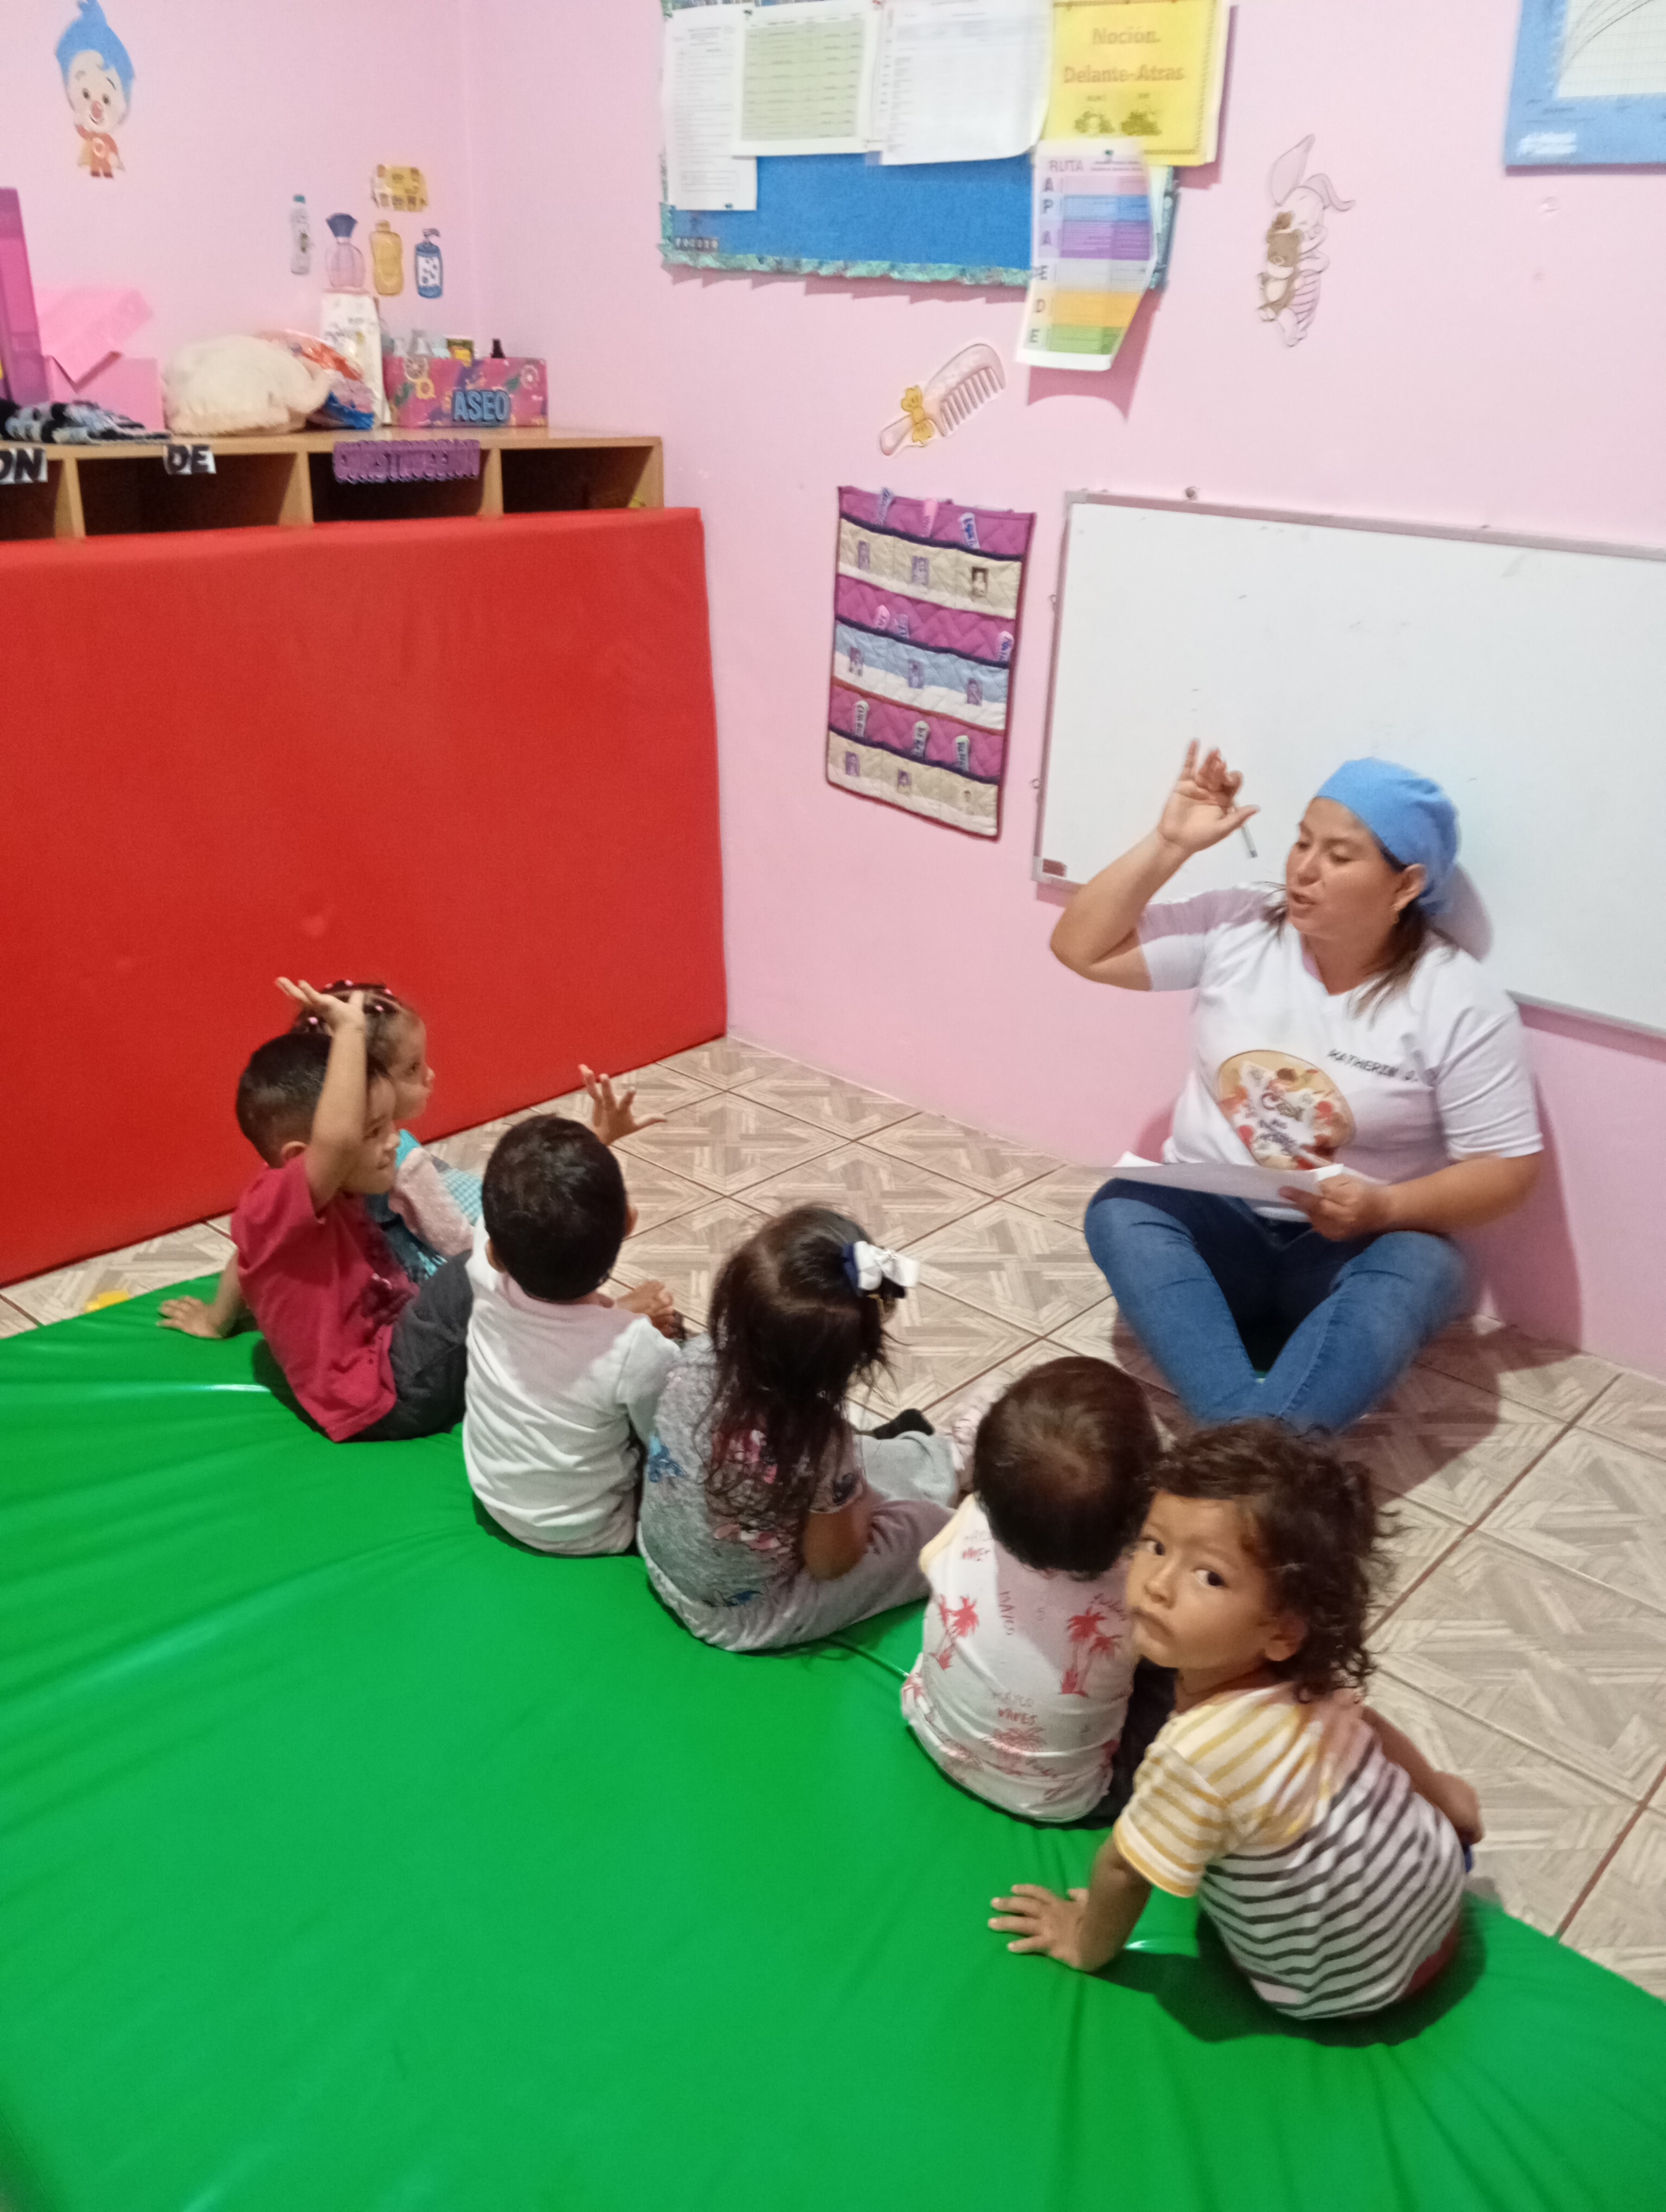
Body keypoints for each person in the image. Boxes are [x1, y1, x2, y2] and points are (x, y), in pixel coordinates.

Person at [1053, 744, 1542, 1431]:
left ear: (1405, 886)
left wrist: (1383, 1207)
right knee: (1123, 1209)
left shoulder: (1459, 1001)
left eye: (1339, 856)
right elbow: (1080, 947)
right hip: (1218, 1229)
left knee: (1426, 1265)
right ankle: (1254, 1452)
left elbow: (1507, 1170)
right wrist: (1171, 843)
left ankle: (1241, 1452)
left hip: (1349, 1250)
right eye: (1302, 842)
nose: (1305, 870)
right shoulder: (1240, 926)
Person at [990, 1422, 1482, 2021]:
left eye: (1211, 1576)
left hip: (1343, 1988)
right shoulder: (1311, 1681)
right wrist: (1446, 1802)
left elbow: (1123, 1870)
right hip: (1443, 1907)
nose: (1159, 1584)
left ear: (1283, 1631)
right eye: (1155, 1545)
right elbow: (1373, 1727)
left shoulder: (1194, 1757)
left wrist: (1083, 1941)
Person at [161, 981, 474, 1442]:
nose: (394, 1140)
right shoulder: (279, 1204)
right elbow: (339, 1138)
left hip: (400, 1356)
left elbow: (246, 1263)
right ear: (300, 1156)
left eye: (389, 1124)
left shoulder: (309, 1202)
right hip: (384, 1395)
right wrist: (350, 1032)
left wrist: (216, 1319)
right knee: (480, 1267)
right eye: (374, 1131)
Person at [638, 1207, 959, 1651]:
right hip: (748, 1616)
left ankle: (949, 1456)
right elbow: (832, 1564)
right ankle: (956, 1465)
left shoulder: (694, 1356)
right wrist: (862, 1505)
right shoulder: (820, 1440)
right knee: (926, 1526)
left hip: (660, 1562)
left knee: (861, 1465)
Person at [901, 1356, 1170, 1824]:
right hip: (1063, 1799)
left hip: (931, 1728)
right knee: (1182, 1675)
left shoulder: (970, 1519)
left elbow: (930, 1562)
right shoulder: (1142, 1597)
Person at [464, 1116, 681, 1554]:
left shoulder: (482, 1273)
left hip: (494, 1497)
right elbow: (664, 1435)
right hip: (590, 1529)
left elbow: (503, 1221)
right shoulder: (634, 1348)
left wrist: (593, 1144)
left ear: (495, 1254)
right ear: (630, 1222)